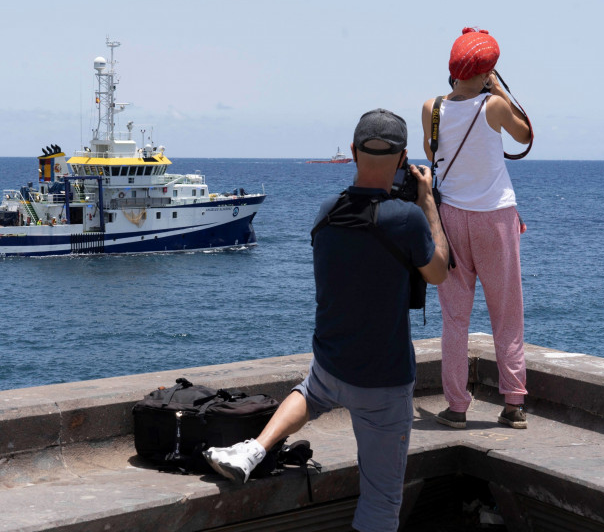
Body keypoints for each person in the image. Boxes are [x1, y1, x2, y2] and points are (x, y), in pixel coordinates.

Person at [204, 109, 450, 532]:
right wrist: (427, 203)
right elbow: (440, 272)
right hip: (383, 382)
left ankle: (254, 448)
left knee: (310, 391)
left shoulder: (326, 212)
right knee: (382, 501)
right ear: (403, 156)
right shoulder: (407, 219)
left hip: (332, 365)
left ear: (353, 152)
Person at [421, 28, 533, 430]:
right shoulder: (494, 106)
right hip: (496, 218)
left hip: (450, 218)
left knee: (455, 318)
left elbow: (433, 154)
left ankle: (456, 407)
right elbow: (525, 134)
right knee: (507, 315)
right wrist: (498, 87)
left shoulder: (431, 107)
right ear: (487, 70)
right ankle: (514, 402)